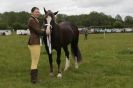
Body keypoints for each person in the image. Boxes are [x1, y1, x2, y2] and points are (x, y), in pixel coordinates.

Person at [28, 7, 44, 84]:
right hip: (34, 42)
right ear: (32, 12)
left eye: (38, 12)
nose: (38, 13)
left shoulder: (35, 20)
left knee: (34, 61)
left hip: (35, 42)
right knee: (35, 61)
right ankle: (34, 80)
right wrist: (46, 32)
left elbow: (39, 30)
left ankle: (34, 78)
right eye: (36, 12)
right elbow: (38, 31)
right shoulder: (32, 20)